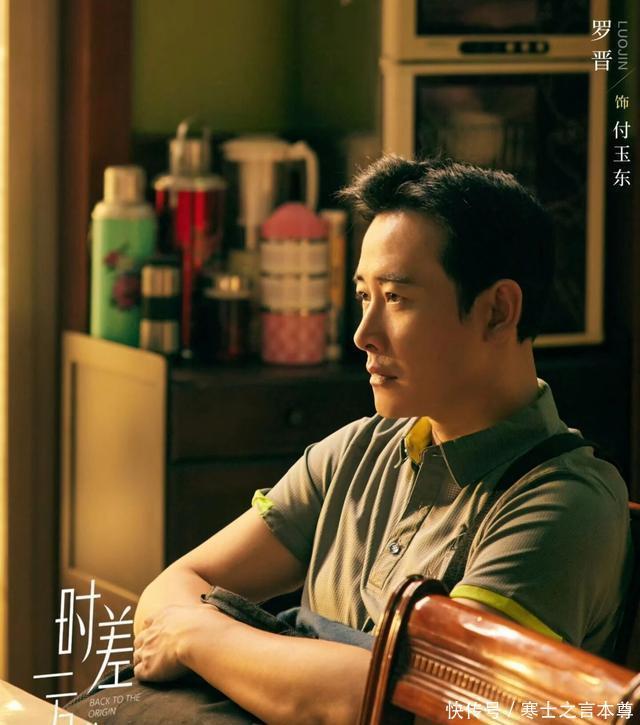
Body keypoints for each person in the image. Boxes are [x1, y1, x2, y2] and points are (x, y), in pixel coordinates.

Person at [94, 157, 633, 724]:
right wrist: (231, 644)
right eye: (363, 297)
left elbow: (403, 703)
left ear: (498, 311)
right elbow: (172, 587)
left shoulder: (563, 504)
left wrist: (197, 637)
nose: (363, 335)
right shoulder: (357, 451)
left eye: (396, 298)